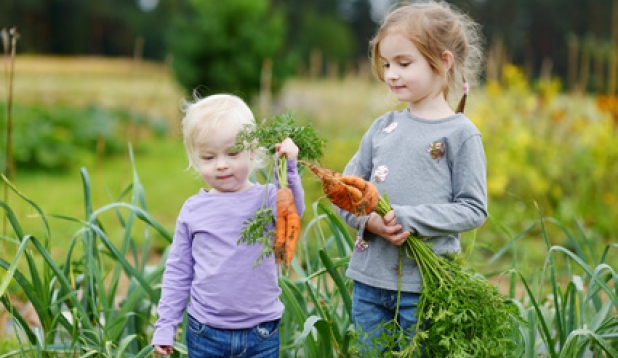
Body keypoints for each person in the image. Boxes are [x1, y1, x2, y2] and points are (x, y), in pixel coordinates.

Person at [336, 1, 487, 355]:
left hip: (425, 288)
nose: (391, 74)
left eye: (404, 63)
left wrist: (409, 218)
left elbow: (473, 209)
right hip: (369, 284)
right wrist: (370, 221)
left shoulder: (460, 134)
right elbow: (344, 191)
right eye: (387, 64)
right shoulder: (382, 128)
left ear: (443, 61)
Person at [151, 93, 305, 358]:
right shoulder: (193, 210)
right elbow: (178, 272)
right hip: (205, 332)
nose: (221, 165)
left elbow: (293, 212)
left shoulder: (266, 198)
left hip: (261, 332)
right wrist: (166, 325)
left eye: (232, 153)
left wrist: (289, 168)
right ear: (195, 158)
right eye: (209, 157)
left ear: (253, 151)